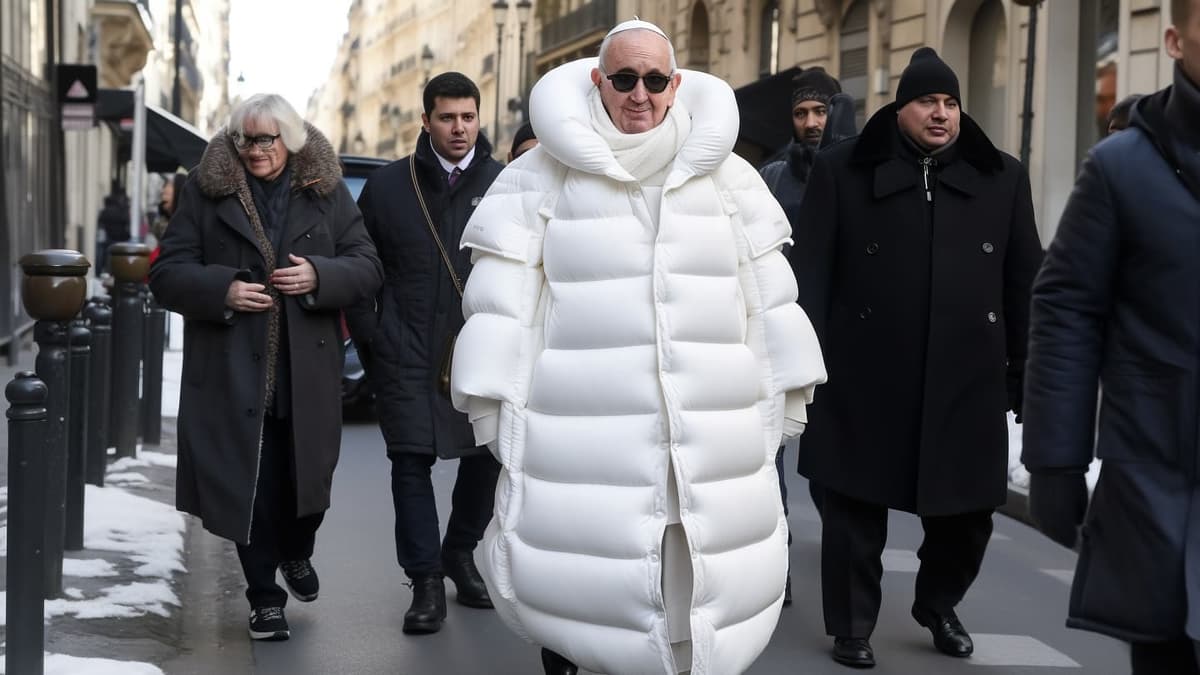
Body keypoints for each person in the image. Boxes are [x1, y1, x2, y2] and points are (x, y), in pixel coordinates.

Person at [451, 19, 827, 675]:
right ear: (598, 81)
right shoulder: (536, 177)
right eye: (624, 78)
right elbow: (500, 306)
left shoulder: (732, 180)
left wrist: (783, 399)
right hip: (579, 436)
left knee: (692, 593)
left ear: (676, 85)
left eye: (655, 80)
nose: (640, 94)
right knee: (585, 592)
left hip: (709, 436)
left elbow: (768, 301)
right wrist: (496, 413)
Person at [791, 47, 1044, 669]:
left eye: (951, 103)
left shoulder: (1002, 176)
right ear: (900, 109)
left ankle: (938, 603)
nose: (941, 114)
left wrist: (1024, 369)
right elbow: (813, 276)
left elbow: (1022, 279)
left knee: (967, 511)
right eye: (928, 102)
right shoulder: (843, 170)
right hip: (863, 370)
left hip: (968, 373)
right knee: (853, 507)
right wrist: (802, 367)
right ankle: (852, 624)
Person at [148, 94, 382, 641]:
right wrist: (222, 289)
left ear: (289, 141)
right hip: (232, 371)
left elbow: (367, 264)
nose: (255, 151)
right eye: (245, 140)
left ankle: (298, 550)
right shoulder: (204, 194)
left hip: (308, 374)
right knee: (247, 486)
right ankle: (264, 598)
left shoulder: (324, 192)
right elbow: (166, 273)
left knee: (308, 485)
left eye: (266, 140)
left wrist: (321, 277)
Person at [1021, 1, 1200, 672]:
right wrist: (1055, 460)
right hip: (1162, 483)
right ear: (1176, 40)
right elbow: (1067, 309)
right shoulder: (1121, 167)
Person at [346, 72, 503, 636]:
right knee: (409, 462)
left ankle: (459, 553)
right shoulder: (390, 187)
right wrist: (374, 337)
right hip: (406, 349)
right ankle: (425, 582)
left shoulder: (505, 184)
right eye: (446, 117)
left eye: (467, 117)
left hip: (480, 351)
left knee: (487, 457)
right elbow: (362, 265)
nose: (458, 129)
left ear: (478, 119)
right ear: (426, 120)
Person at [758, 70, 856, 607]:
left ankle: (844, 560)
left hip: (841, 341)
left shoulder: (861, 172)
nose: (811, 123)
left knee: (830, 467)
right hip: (779, 335)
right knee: (767, 455)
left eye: (820, 112)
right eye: (802, 114)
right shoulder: (773, 176)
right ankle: (777, 564)